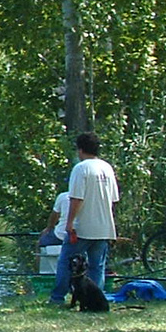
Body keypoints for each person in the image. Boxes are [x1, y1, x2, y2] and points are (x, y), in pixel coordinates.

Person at [50, 131, 120, 306]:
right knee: (97, 266)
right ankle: (96, 299)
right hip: (104, 227)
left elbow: (76, 198)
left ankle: (58, 298)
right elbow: (113, 200)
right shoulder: (107, 168)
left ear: (80, 150)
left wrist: (69, 223)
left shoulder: (81, 168)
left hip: (82, 227)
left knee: (66, 261)